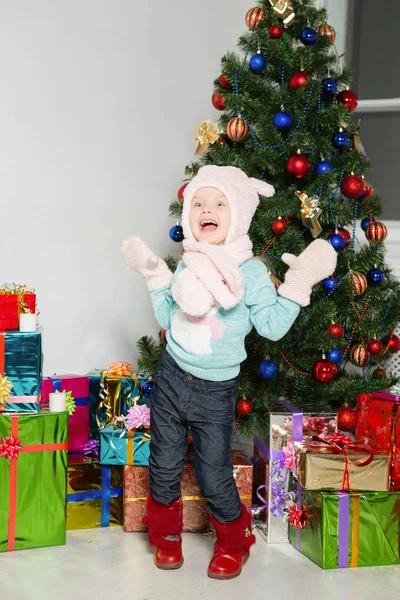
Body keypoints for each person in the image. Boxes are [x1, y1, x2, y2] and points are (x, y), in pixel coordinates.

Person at [121, 165, 337, 579]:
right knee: (163, 463)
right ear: (189, 216)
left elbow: (272, 326)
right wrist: (155, 277)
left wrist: (298, 284)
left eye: (220, 203)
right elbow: (170, 316)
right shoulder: (190, 261)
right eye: (199, 202)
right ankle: (165, 535)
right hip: (170, 377)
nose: (208, 209)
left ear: (237, 214)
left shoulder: (251, 272)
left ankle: (235, 541)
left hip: (214, 390)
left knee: (213, 473)